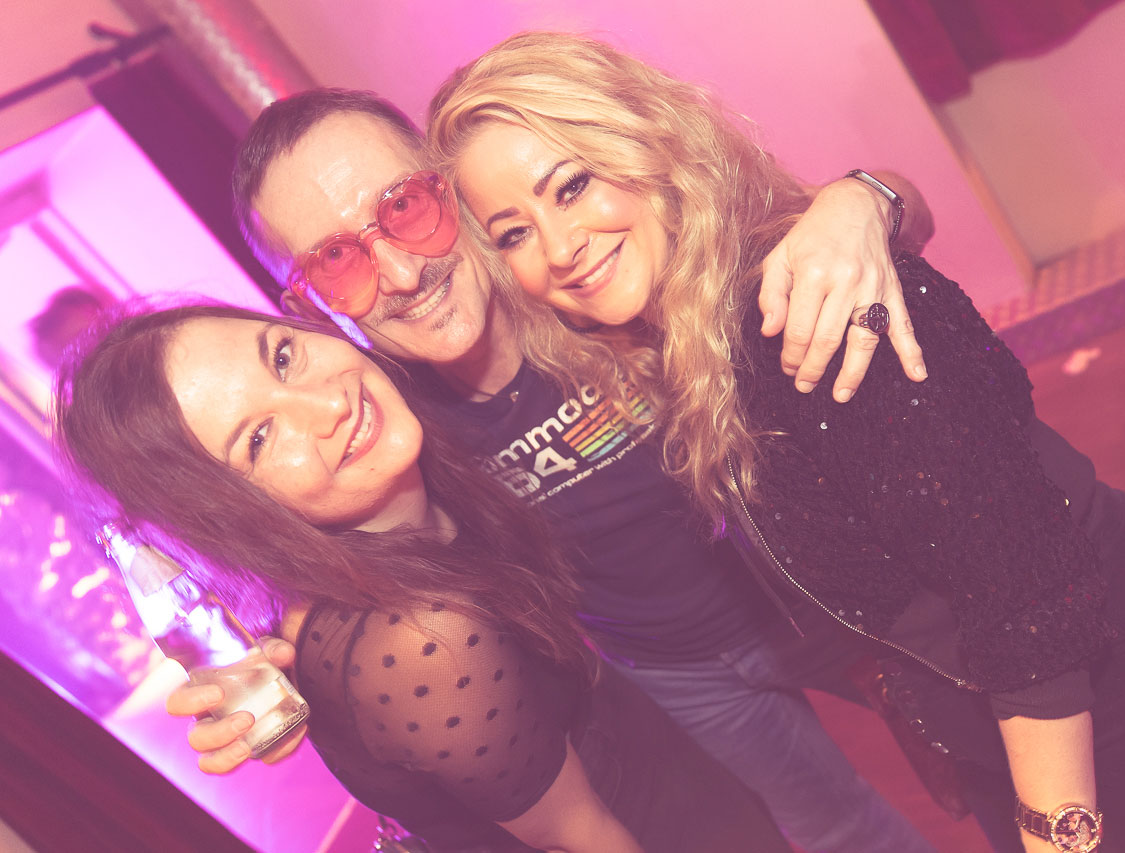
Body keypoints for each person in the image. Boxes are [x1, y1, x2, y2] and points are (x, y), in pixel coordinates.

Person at [426, 32, 1125, 853]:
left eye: (572, 185)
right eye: (513, 232)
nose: (559, 247)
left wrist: (1054, 833)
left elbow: (1026, 595)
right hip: (1019, 721)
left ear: (647, 146)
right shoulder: (686, 336)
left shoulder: (796, 311)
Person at [166, 88, 939, 851]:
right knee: (838, 824)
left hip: (822, 580)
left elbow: (880, 215)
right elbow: (334, 549)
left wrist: (860, 203)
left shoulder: (589, 262)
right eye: (338, 258)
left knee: (980, 730)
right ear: (310, 306)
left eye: (403, 206)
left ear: (451, 187)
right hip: (681, 669)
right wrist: (276, 651)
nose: (401, 273)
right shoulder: (381, 422)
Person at [57, 302, 795, 853]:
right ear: (229, 516)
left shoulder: (407, 467)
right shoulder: (423, 639)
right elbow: (582, 835)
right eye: (258, 438)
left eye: (282, 357)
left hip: (649, 761)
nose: (327, 403)